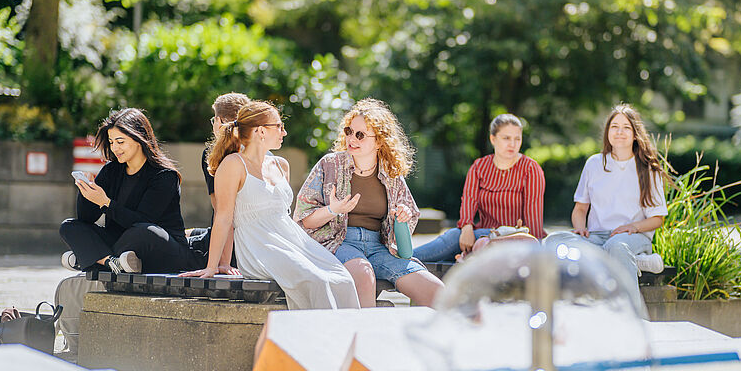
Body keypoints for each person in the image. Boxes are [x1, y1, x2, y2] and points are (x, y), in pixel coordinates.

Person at [180, 100, 359, 310]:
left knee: (342, 278)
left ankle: (349, 340)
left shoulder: (281, 165)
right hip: (258, 246)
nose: (284, 132)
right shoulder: (233, 165)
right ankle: (320, 340)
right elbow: (223, 217)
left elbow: (285, 215)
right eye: (279, 126)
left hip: (292, 240)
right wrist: (215, 266)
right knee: (315, 281)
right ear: (260, 132)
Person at [294, 98, 444, 307]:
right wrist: (332, 210)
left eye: (360, 134)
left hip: (379, 248)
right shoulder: (329, 165)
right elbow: (304, 221)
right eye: (349, 131)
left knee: (435, 290)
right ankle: (368, 337)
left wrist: (403, 215)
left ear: (380, 141)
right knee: (364, 275)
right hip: (339, 243)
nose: (351, 138)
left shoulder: (391, 174)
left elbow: (408, 219)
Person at [544, 103, 668, 311]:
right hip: (596, 236)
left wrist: (633, 227)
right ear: (607, 132)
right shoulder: (594, 163)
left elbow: (657, 219)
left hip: (631, 237)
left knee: (617, 246)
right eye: (614, 127)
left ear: (635, 134)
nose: (619, 132)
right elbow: (580, 209)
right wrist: (580, 227)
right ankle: (635, 262)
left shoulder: (647, 168)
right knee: (553, 242)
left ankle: (634, 316)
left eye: (626, 127)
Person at [60, 108, 204, 274]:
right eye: (112, 142)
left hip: (159, 246)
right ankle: (109, 262)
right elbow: (85, 218)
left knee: (143, 231)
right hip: (122, 244)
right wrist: (86, 194)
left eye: (120, 142)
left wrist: (105, 203)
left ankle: (90, 258)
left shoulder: (164, 176)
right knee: (69, 226)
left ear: (139, 139)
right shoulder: (111, 170)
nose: (115, 148)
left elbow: (142, 221)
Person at [413, 113, 546, 262]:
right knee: (449, 256)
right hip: (483, 234)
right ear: (493, 139)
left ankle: (402, 259)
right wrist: (467, 227)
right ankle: (402, 263)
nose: (513, 144)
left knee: (452, 238)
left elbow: (534, 215)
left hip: (514, 237)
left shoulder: (530, 169)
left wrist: (535, 250)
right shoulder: (479, 166)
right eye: (506, 138)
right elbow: (469, 201)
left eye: (517, 139)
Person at [187, 92, 252, 256]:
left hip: (231, 242)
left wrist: (222, 262)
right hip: (256, 237)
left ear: (219, 121)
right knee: (189, 232)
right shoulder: (263, 153)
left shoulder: (214, 154)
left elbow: (222, 213)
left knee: (179, 239)